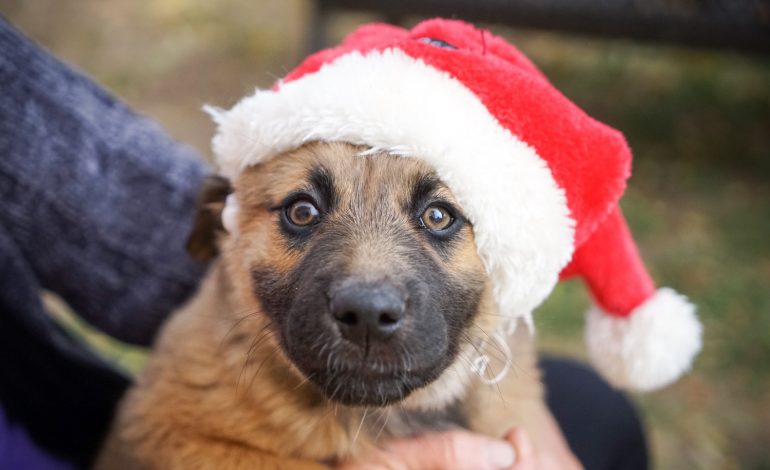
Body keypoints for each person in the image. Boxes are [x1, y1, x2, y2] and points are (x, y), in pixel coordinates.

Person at [0, 17, 648, 469]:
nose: (368, 282)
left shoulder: (500, 355)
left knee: (597, 409)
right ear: (221, 225)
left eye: (440, 217)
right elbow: (160, 442)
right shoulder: (210, 374)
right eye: (303, 211)